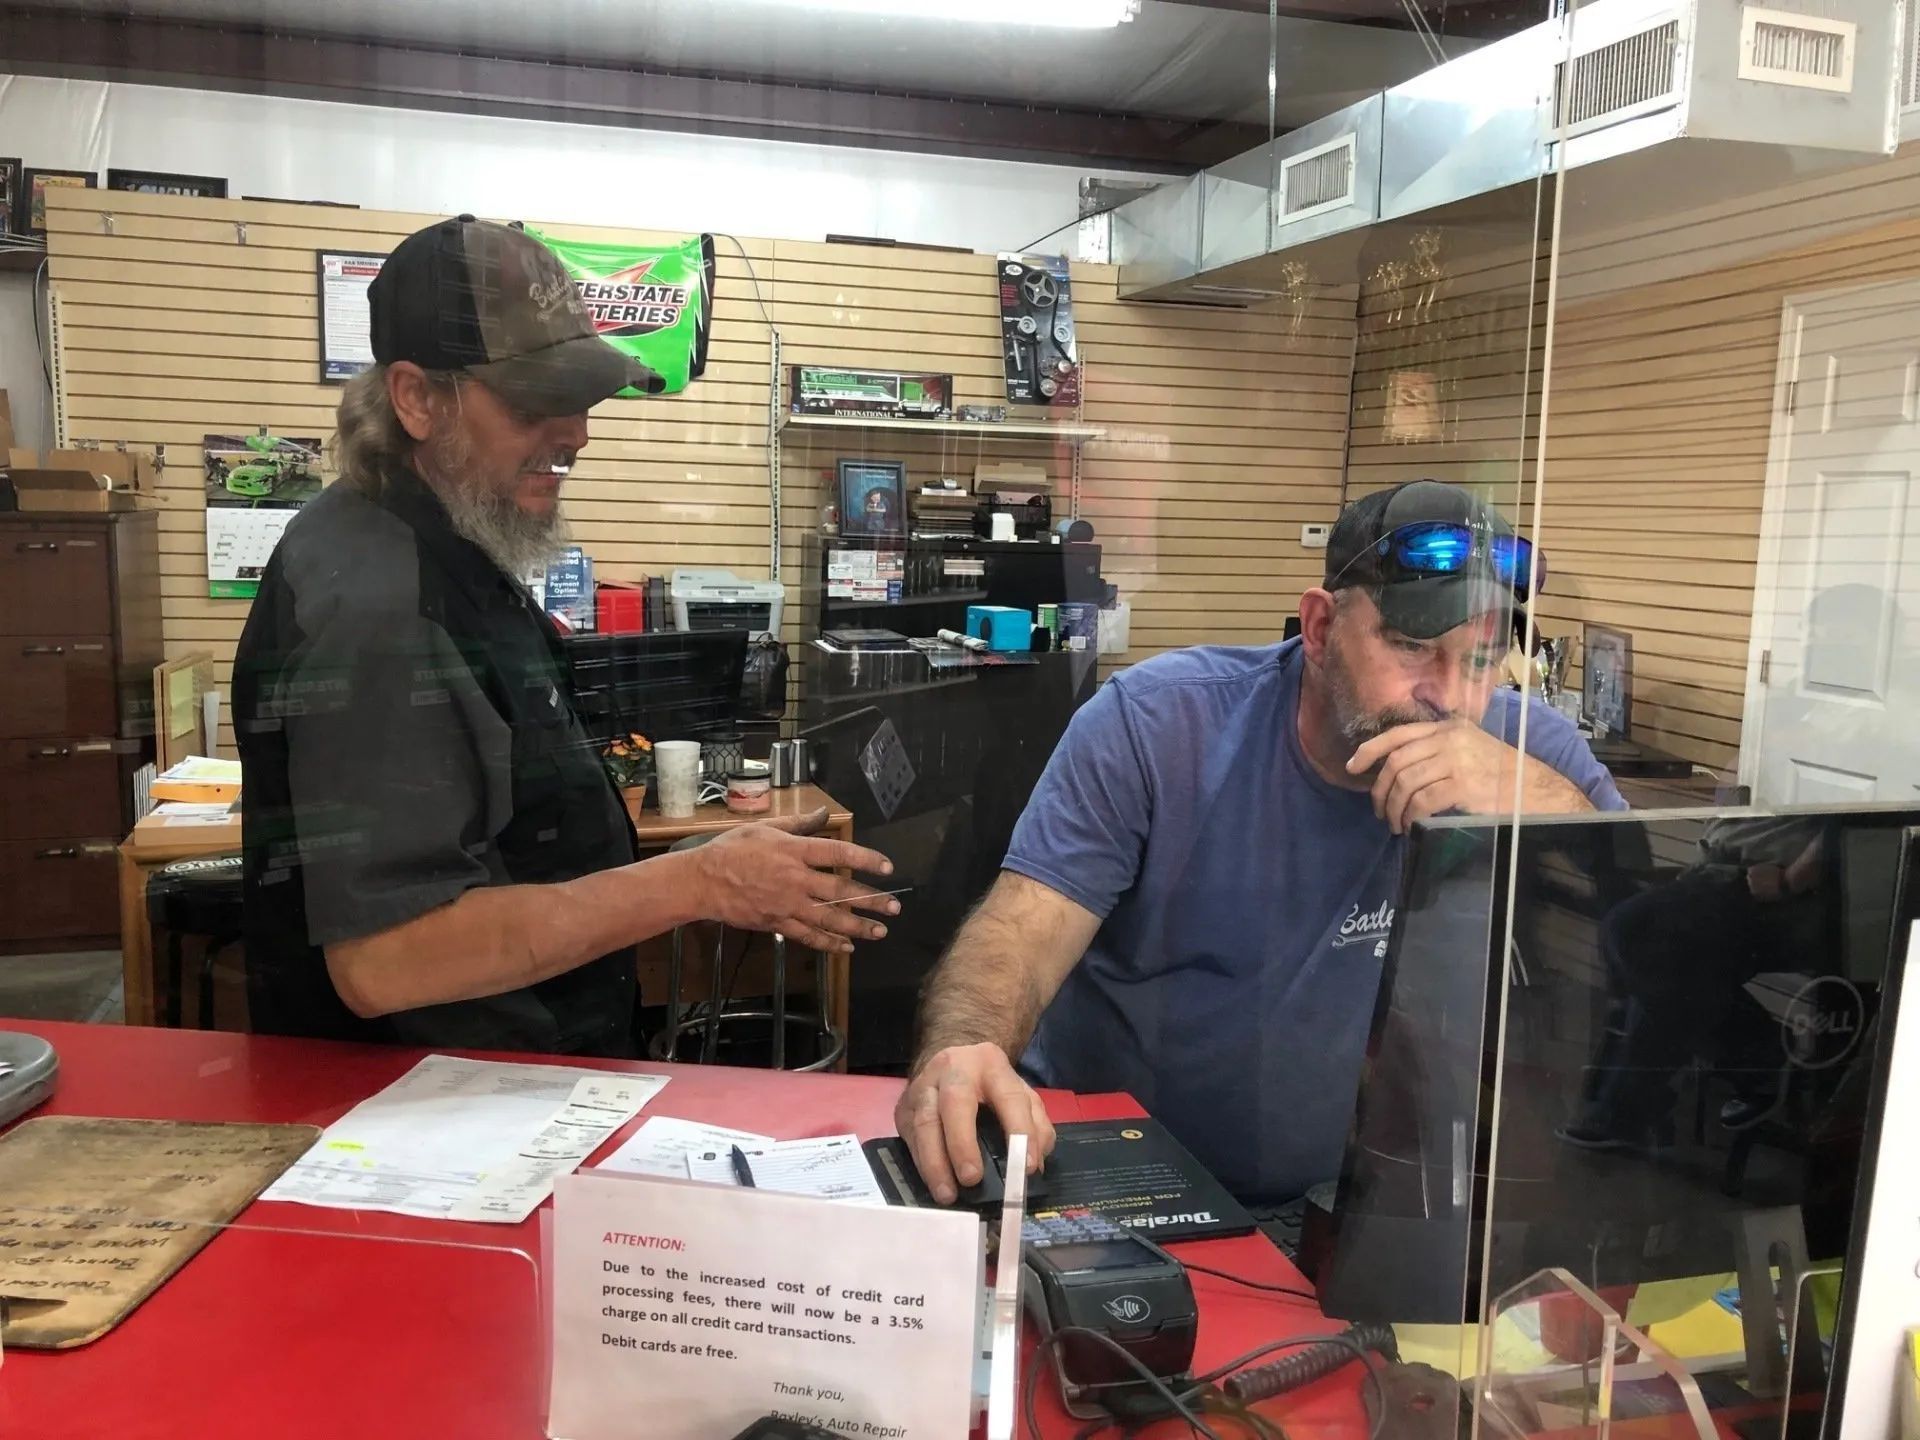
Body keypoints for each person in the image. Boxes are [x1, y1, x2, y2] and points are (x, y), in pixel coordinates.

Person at [233, 216, 898, 1055]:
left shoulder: (449, 542)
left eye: (580, 398)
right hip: (421, 1121)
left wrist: (690, 857)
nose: (576, 431)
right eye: (534, 402)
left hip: (501, 1092)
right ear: (416, 398)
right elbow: (386, 960)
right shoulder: (376, 605)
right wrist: (693, 881)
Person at [893, 480, 1628, 1205]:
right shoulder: (1160, 725)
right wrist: (968, 1046)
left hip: (1360, 1204)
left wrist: (1548, 805)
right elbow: (1022, 928)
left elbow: (1650, 928)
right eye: (1411, 646)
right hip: (1126, 1174)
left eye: (1479, 659)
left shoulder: (1527, 752)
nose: (1450, 698)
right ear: (1318, 628)